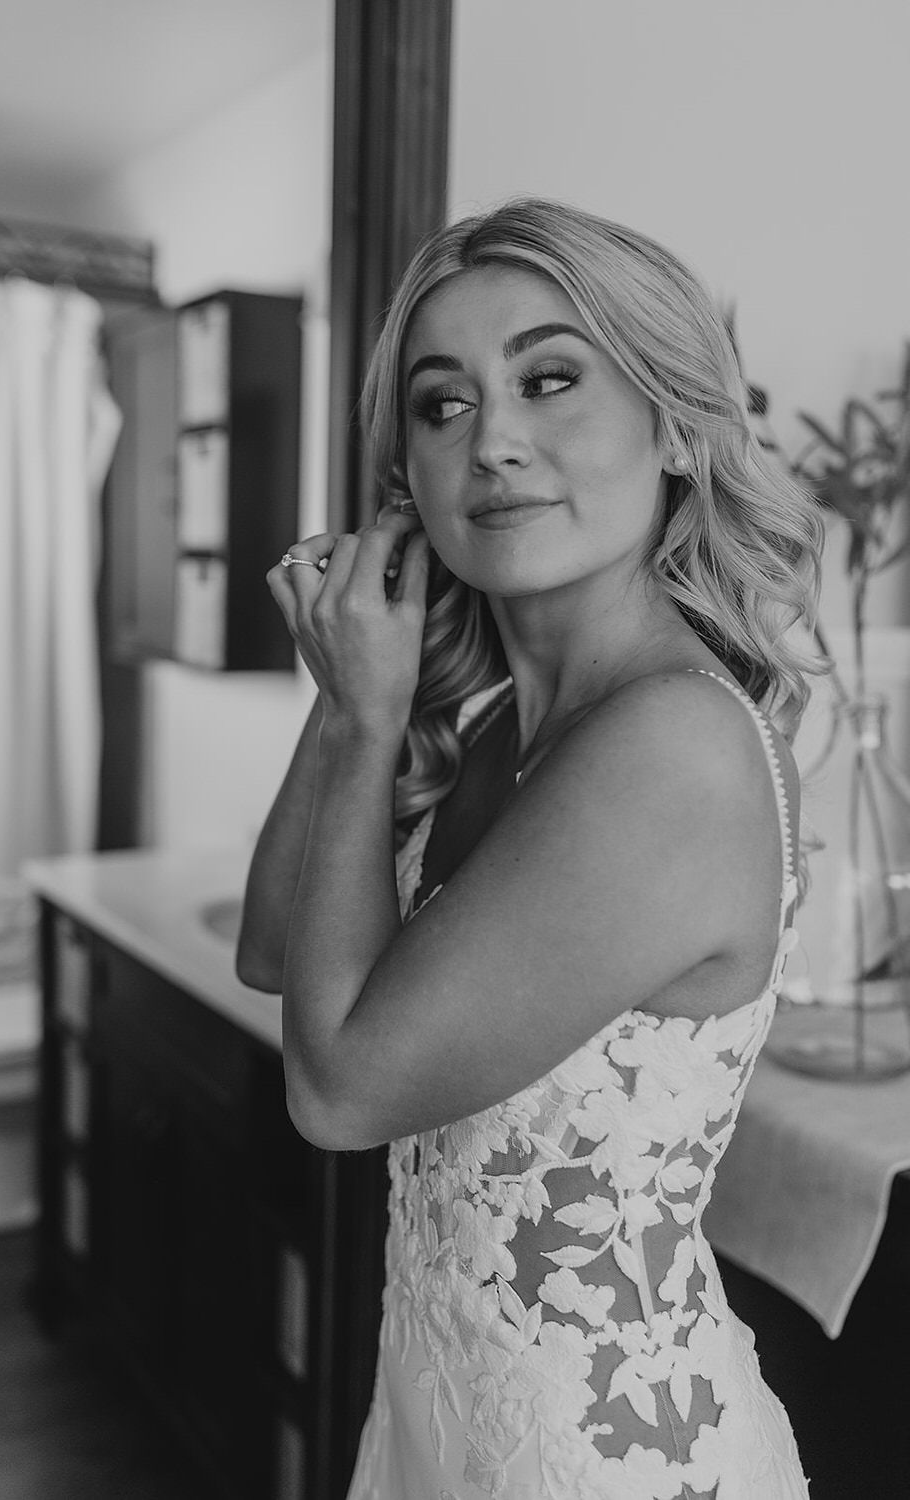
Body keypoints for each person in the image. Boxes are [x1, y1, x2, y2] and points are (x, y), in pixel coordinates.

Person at [236, 197, 823, 1499]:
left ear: (675, 427)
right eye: (442, 407)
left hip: (601, 1459)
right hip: (440, 1417)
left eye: (549, 381)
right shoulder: (494, 721)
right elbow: (276, 952)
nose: (493, 439)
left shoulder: (670, 747)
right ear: (410, 483)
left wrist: (371, 709)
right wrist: (350, 701)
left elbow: (338, 1088)